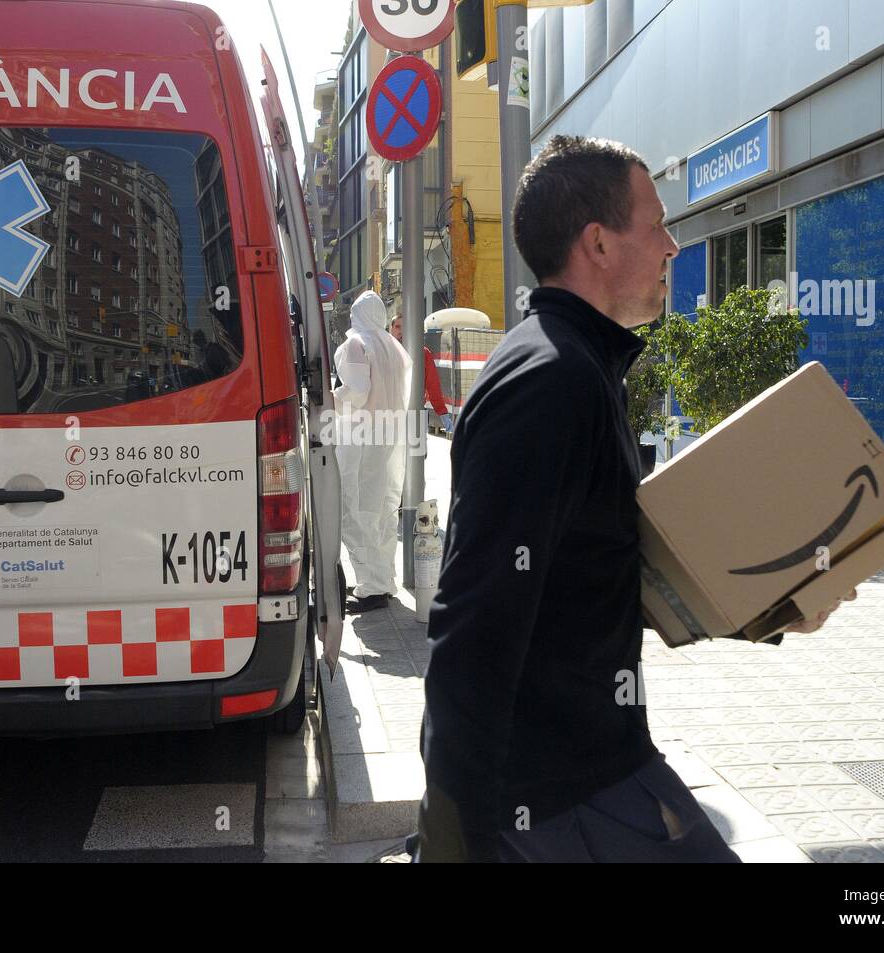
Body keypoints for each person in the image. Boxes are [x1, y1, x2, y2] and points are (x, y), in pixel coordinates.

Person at [415, 136, 856, 863]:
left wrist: (770, 607)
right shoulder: (551, 381)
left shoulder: (578, 364)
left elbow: (601, 577)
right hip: (552, 801)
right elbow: (474, 616)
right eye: (656, 225)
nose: (674, 245)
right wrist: (456, 829)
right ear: (597, 242)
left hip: (593, 772)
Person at [334, 291, 411, 613]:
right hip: (390, 435)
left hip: (361, 437)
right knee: (383, 511)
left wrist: (331, 396)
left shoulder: (356, 344)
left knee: (356, 510)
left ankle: (371, 588)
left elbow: (358, 394)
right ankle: (383, 580)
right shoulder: (395, 347)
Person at [390, 314, 453, 434]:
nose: (401, 331)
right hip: (388, 413)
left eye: (405, 327)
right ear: (391, 329)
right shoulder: (384, 351)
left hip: (416, 412)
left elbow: (433, 384)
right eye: (398, 327)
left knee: (418, 452)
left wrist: (442, 412)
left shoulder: (423, 353)